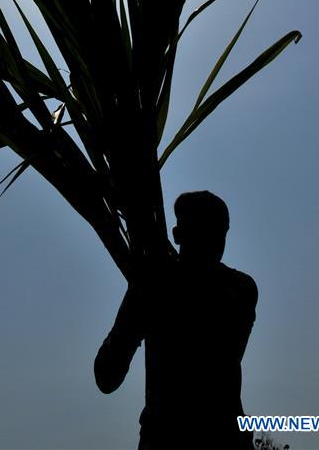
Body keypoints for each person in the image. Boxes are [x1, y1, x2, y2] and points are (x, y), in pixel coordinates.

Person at [94, 191, 258, 449]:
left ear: (178, 235)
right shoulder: (239, 289)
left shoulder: (156, 286)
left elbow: (106, 374)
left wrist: (140, 298)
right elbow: (106, 376)